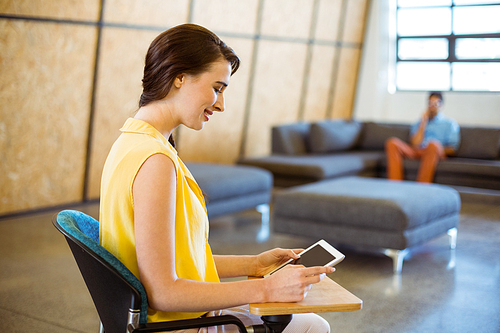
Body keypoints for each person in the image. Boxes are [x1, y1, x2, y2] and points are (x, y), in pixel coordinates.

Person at [99, 23, 333, 332]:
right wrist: (266, 288)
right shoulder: (155, 161)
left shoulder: (131, 141)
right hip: (178, 324)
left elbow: (176, 262)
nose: (221, 104)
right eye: (217, 87)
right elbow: (164, 291)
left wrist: (254, 265)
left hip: (167, 318)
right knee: (311, 326)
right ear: (179, 77)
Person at [385, 91, 460, 183]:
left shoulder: (450, 124)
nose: (432, 107)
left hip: (435, 151)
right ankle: (395, 184)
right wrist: (423, 122)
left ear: (442, 105)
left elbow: (452, 149)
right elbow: (415, 143)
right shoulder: (419, 122)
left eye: (436, 103)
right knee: (392, 143)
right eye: (430, 103)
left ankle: (422, 187)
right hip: (419, 150)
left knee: (433, 144)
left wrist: (431, 148)